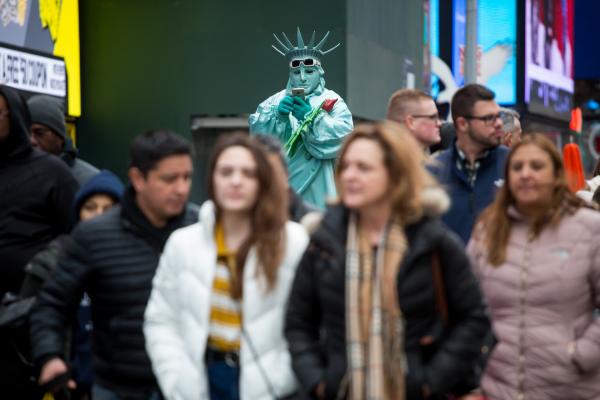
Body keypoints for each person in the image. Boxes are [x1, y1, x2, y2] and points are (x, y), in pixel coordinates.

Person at [285, 121, 491, 400]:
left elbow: (474, 319)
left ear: (395, 175)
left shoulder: (432, 240)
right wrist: (319, 382)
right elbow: (298, 322)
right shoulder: (324, 241)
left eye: (364, 168)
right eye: (346, 166)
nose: (350, 176)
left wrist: (430, 381)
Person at [30, 130, 198, 400]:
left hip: (188, 385)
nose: (181, 188)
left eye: (187, 178)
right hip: (116, 386)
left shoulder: (200, 228)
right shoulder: (95, 235)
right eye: (169, 179)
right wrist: (49, 356)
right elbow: (52, 303)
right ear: (137, 179)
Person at [144, 133, 309, 400]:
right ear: (212, 179)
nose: (235, 181)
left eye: (248, 173)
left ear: (262, 181)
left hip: (269, 385)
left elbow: (309, 324)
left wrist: (282, 379)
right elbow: (161, 319)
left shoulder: (292, 241)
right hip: (203, 379)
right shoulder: (184, 243)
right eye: (226, 172)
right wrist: (176, 381)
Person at [467, 134, 600, 399]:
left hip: (571, 387)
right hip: (499, 385)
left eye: (537, 167)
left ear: (556, 175)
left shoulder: (589, 227)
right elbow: (466, 303)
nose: (526, 174)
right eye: (517, 167)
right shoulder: (488, 230)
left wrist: (583, 354)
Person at [249, 28, 353, 209]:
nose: (303, 78)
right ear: (290, 74)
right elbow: (257, 147)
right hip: (283, 189)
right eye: (297, 73)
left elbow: (345, 139)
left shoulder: (333, 100)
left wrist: (312, 118)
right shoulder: (272, 103)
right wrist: (278, 118)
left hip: (321, 189)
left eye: (309, 71)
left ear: (320, 72)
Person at [429, 83, 509, 244]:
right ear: (462, 124)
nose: (499, 123)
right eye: (489, 118)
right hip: (451, 267)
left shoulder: (514, 166)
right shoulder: (434, 172)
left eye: (498, 116)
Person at [27, 94, 99, 185]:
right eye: (26, 133)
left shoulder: (91, 181)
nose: (31, 140)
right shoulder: (12, 176)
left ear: (60, 137)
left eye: (39, 133)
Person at [254, 133, 319, 222]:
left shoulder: (317, 225)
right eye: (255, 173)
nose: (265, 180)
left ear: (286, 175)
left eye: (271, 172)